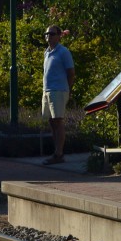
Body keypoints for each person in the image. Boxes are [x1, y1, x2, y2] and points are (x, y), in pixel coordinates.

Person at [42, 25, 75, 165]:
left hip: (59, 90)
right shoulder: (47, 52)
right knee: (51, 121)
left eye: (52, 33)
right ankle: (56, 151)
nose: (49, 36)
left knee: (58, 120)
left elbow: (71, 72)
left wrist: (68, 88)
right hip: (47, 90)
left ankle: (59, 153)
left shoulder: (64, 52)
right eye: (47, 33)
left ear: (59, 36)